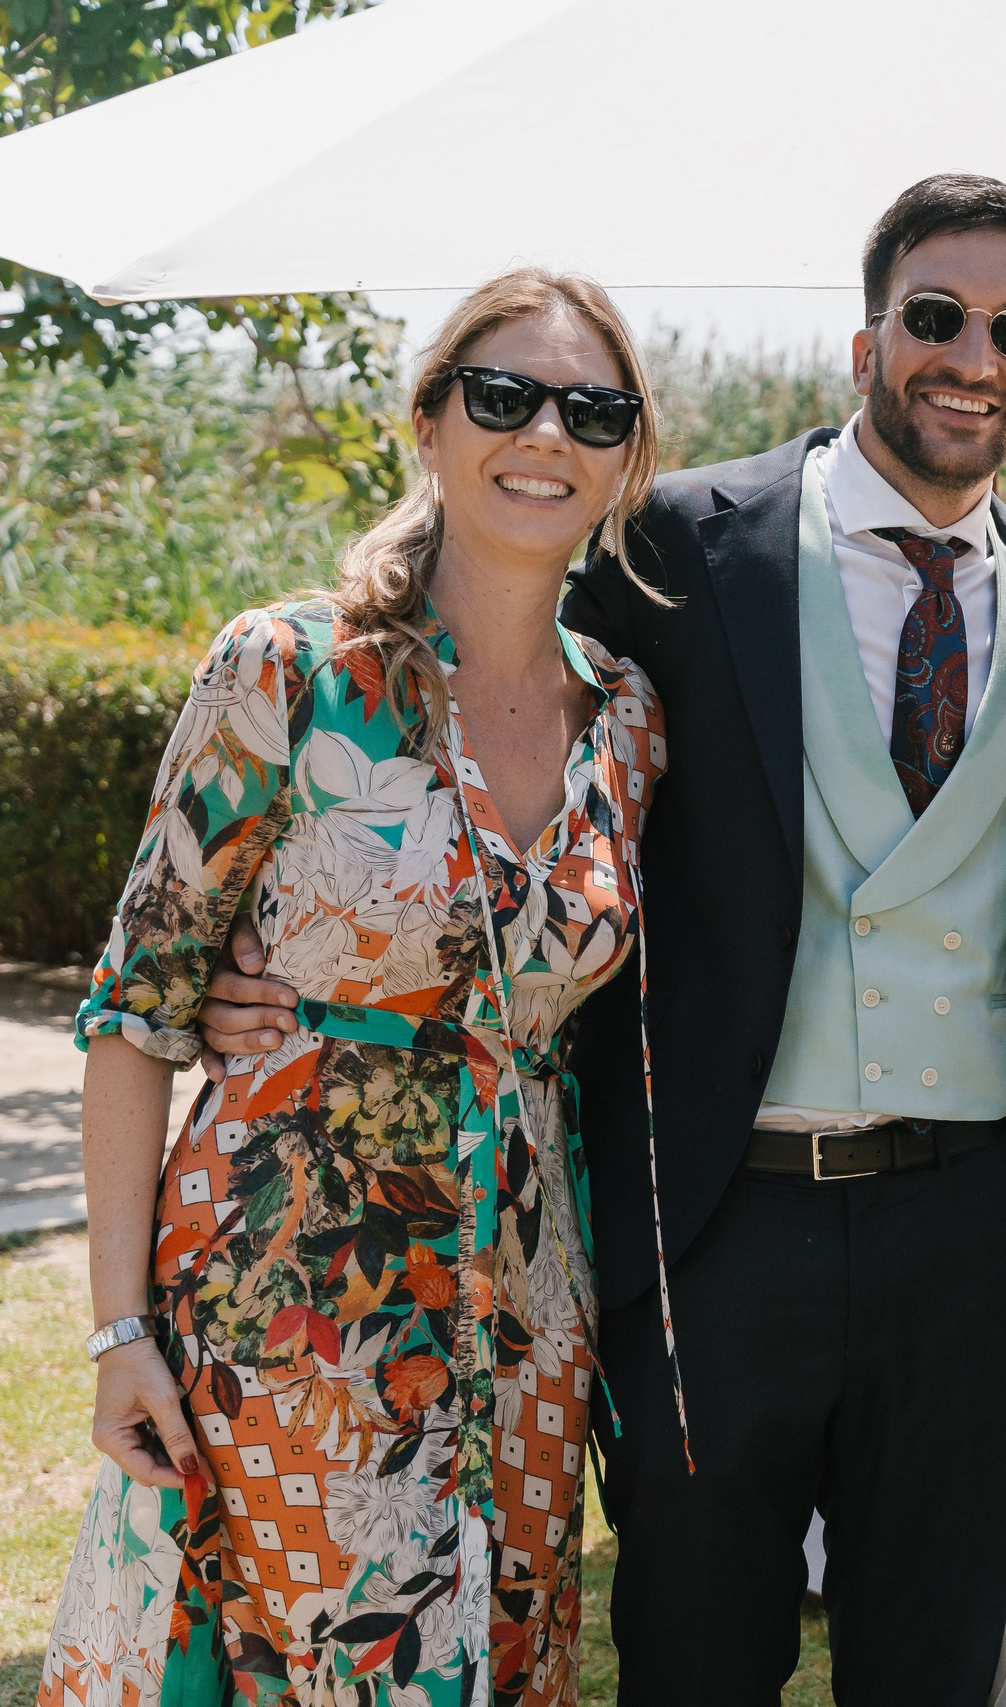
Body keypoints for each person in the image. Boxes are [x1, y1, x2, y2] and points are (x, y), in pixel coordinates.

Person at [199, 176, 1006, 1704]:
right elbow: (481, 678)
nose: (973, 354)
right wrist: (293, 953)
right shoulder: (685, 538)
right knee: (691, 1650)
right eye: (937, 316)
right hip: (715, 1223)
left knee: (936, 1656)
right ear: (871, 332)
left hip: (963, 1227)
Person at [43, 269, 668, 1707]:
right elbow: (137, 1013)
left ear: (628, 455)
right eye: (504, 396)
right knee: (310, 1669)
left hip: (524, 1301)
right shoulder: (291, 670)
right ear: (431, 423)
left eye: (594, 409)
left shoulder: (628, 717)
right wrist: (118, 1331)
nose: (546, 434)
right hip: (294, 1292)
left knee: (496, 1664)